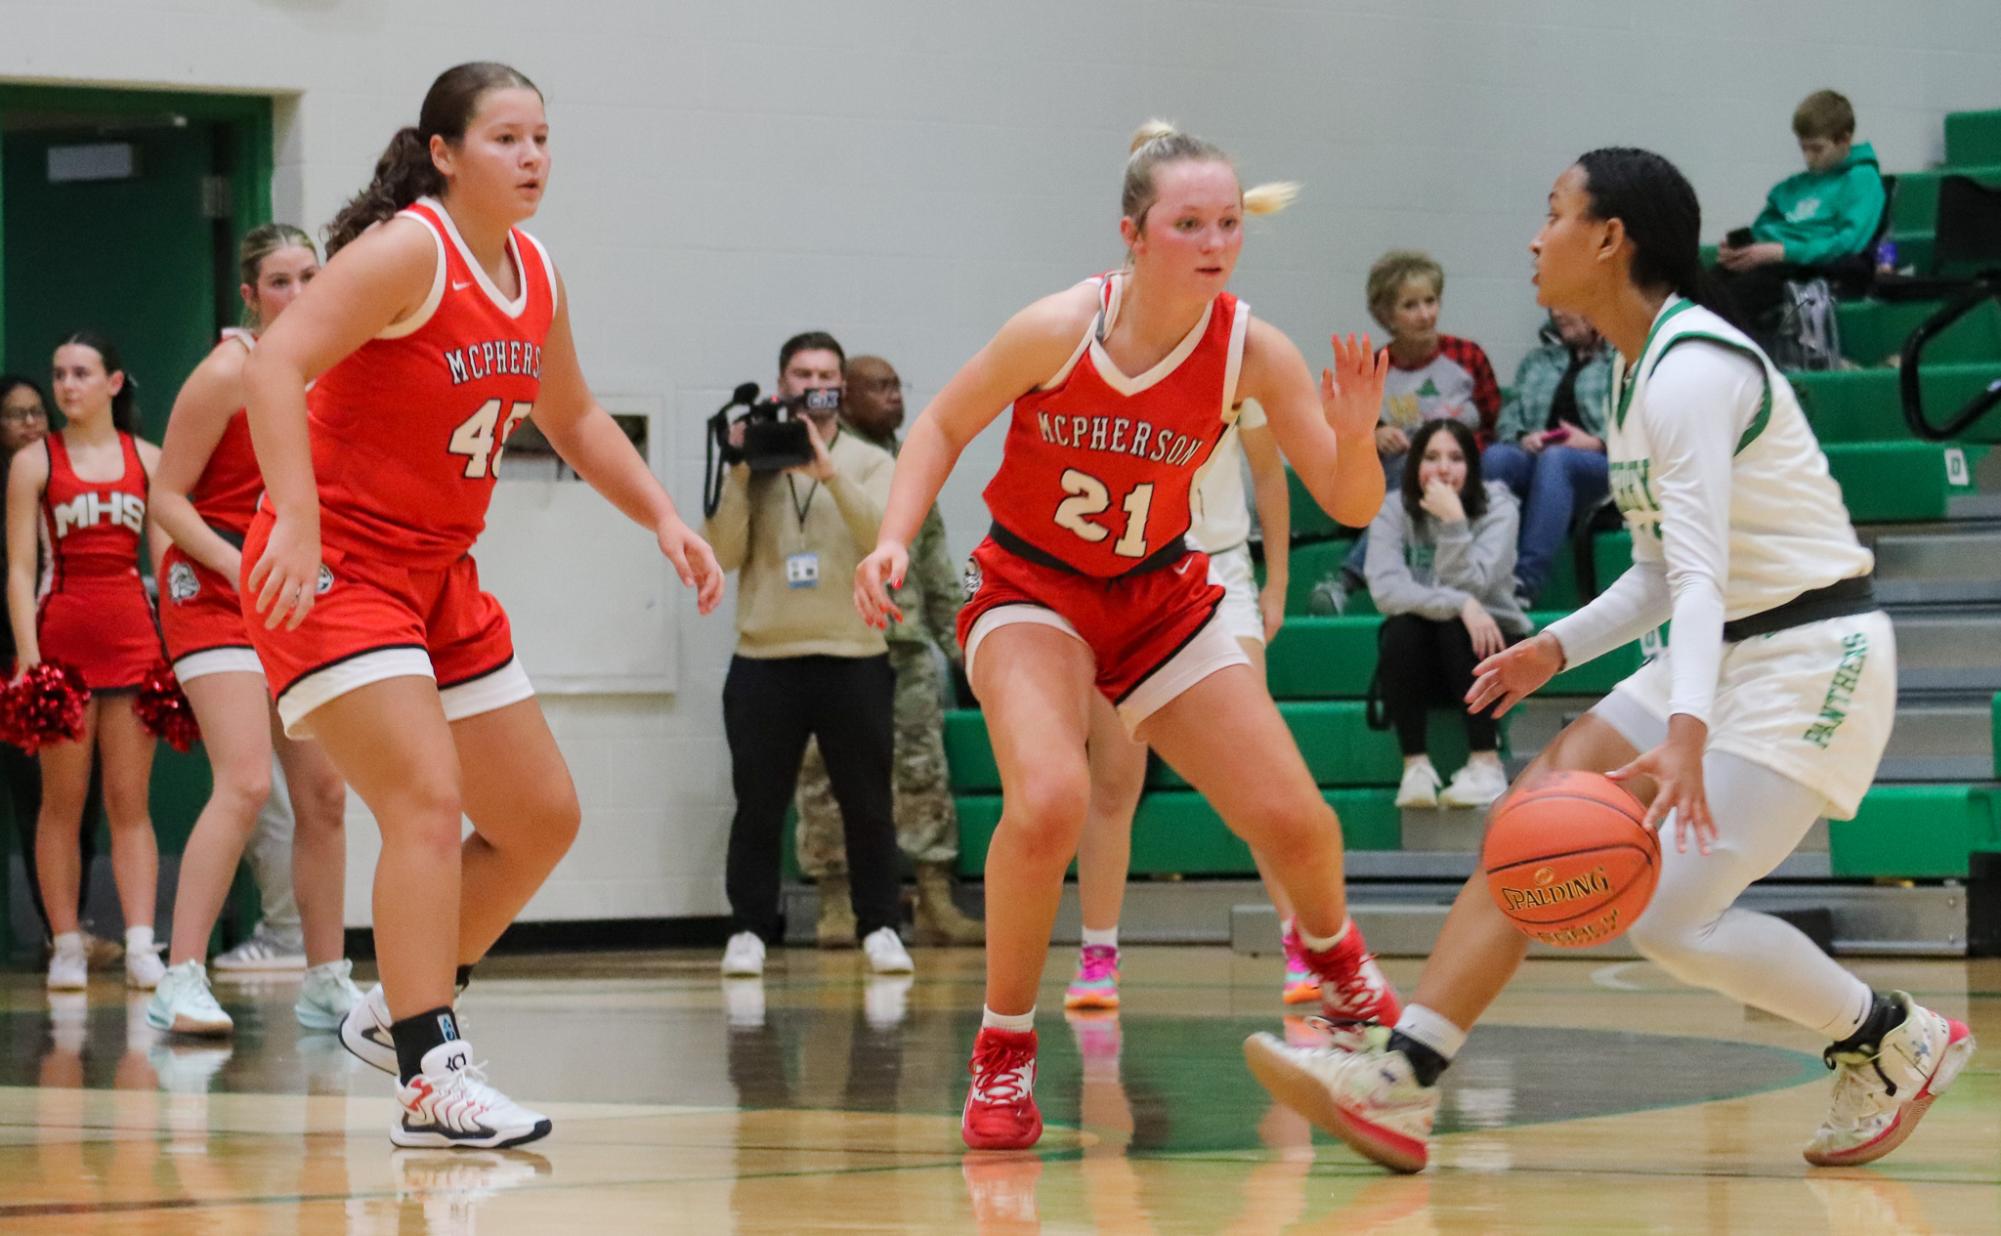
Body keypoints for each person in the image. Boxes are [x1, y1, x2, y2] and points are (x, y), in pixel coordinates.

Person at [1245, 146, 1974, 1175]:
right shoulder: (1634, 372)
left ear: (1609, 237)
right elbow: (1659, 575)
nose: (1535, 237)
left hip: (1811, 656)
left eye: (1553, 213)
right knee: (1528, 821)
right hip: (1717, 647)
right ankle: (1401, 1079)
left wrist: (1682, 734)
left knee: (1671, 921)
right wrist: (1557, 645)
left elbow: (1707, 572)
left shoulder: (1691, 373)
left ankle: (1892, 1037)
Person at [854, 120, 1403, 1151]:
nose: (1215, 240)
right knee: (1053, 797)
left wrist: (1362, 437)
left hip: (1159, 593)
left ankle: (1346, 985)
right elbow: (939, 424)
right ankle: (1003, 1055)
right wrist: (891, 540)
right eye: (1188, 222)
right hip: (1032, 587)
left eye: (1230, 222)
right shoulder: (1063, 325)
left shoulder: (1254, 347)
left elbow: (1345, 494)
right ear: (1134, 234)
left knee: (1295, 818)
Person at [240, 61, 724, 1149]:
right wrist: (299, 517)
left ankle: (396, 1007)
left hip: (438, 575)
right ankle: (431, 1071)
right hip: (338, 569)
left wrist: (662, 517)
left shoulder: (537, 270)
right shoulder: (413, 247)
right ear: (446, 152)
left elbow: (577, 414)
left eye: (543, 138)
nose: (533, 157)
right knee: (424, 799)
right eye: (507, 139)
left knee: (541, 816)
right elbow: (275, 365)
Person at [145, 225, 360, 1038]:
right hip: (215, 583)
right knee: (242, 780)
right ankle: (181, 976)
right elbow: (165, 497)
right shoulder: (228, 371)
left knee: (327, 794)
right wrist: (240, 566)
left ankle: (325, 978)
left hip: (293, 593)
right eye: (279, 280)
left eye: (311, 275)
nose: (299, 292)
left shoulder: (336, 371)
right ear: (249, 295)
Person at [1062, 394, 1325, 1009]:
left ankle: (1301, 944)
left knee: (1256, 771)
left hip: (1218, 571)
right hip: (1123, 578)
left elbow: (1267, 470)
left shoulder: (1237, 355)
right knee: (1113, 780)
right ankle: (1097, 956)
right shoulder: (1093, 357)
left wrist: (1278, 581)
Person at [708, 334, 912, 979]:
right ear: (782, 382)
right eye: (802, 374)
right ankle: (749, 930)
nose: (814, 384)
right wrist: (741, 470)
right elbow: (723, 553)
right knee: (758, 805)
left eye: (827, 374)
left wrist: (829, 473)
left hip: (854, 653)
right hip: (765, 656)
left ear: (841, 387)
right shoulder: (758, 457)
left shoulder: (872, 459)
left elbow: (884, 539)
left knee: (870, 804)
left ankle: (880, 925)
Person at [793, 354, 983, 949]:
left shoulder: (912, 464)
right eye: (878, 387)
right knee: (824, 777)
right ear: (846, 397)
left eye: (898, 386)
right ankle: (833, 902)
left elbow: (935, 565)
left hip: (904, 648)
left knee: (923, 774)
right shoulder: (819, 463)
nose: (893, 397)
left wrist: (962, 647)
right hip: (840, 646)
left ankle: (933, 900)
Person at [4, 334, 169, 993]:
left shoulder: (148, 460)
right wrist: (28, 655)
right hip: (61, 648)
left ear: (114, 382)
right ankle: (66, 942)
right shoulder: (34, 462)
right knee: (60, 805)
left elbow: (166, 564)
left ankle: (138, 945)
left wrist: (174, 649)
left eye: (81, 373)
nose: (67, 386)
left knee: (131, 803)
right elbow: (19, 568)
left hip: (135, 644)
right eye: (59, 375)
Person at [1, 375, 115, 965]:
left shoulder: (62, 473)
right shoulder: (20, 481)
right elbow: (18, 572)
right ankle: (61, 933)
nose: (30, 423)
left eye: (35, 412)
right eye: (15, 414)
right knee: (43, 804)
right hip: (24, 657)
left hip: (51, 655)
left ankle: (63, 931)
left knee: (76, 796)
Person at [1320, 251, 1500, 613]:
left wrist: (1445, 453)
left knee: (1424, 465)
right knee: (1405, 465)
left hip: (1456, 473)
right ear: (1387, 316)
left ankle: (1346, 579)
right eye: (1411, 306)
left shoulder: (1467, 356)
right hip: (1390, 478)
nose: (1426, 314)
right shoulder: (1374, 367)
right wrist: (1374, 435)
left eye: (1431, 301)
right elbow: (1345, 436)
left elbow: (1494, 423)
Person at [1366, 418, 1529, 810]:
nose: (1443, 469)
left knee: (1454, 628)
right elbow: (1386, 590)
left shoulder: (1500, 507)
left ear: (1472, 466)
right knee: (1402, 628)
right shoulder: (1392, 509)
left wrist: (1454, 522)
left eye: (1456, 458)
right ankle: (1416, 767)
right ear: (1414, 466)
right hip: (1426, 654)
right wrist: (1459, 605)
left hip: (1492, 645)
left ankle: (1486, 763)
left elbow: (1476, 584)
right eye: (1432, 457)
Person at [1714, 89, 1886, 334]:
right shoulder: (1795, 186)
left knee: (1735, 297)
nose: (1809, 158)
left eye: (1817, 149)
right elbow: (1765, 227)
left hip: (1808, 268)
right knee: (1702, 287)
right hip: (1772, 259)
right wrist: (1741, 251)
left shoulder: (1862, 180)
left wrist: (1783, 252)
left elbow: (1848, 242)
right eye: (1803, 148)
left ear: (1844, 140)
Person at [1481, 310, 1615, 607]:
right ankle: (1484, 574)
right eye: (1554, 307)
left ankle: (1525, 583)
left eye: (1567, 306)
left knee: (1558, 459)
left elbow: (1638, 423)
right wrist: (1523, 437)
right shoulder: (1537, 362)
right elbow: (1508, 419)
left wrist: (1595, 443)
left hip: (1603, 463)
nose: (1558, 313)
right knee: (1497, 457)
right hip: (1541, 458)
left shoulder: (1620, 360)